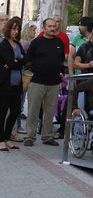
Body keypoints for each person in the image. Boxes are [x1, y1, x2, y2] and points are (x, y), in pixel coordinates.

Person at [23, 18, 65, 147]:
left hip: (53, 82)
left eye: (54, 26)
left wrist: (60, 71)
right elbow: (28, 60)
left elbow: (61, 60)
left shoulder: (59, 42)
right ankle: (30, 136)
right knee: (33, 110)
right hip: (37, 81)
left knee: (50, 111)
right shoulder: (36, 42)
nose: (53, 28)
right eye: (50, 26)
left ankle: (47, 136)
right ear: (44, 27)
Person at [0, 17, 27, 151]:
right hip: (5, 84)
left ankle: (6, 137)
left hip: (17, 83)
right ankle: (0, 140)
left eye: (17, 29)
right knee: (2, 111)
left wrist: (15, 62)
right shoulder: (3, 44)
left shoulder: (18, 44)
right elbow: (10, 62)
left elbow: (26, 59)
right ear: (8, 29)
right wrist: (15, 61)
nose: (15, 32)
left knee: (16, 110)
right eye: (13, 29)